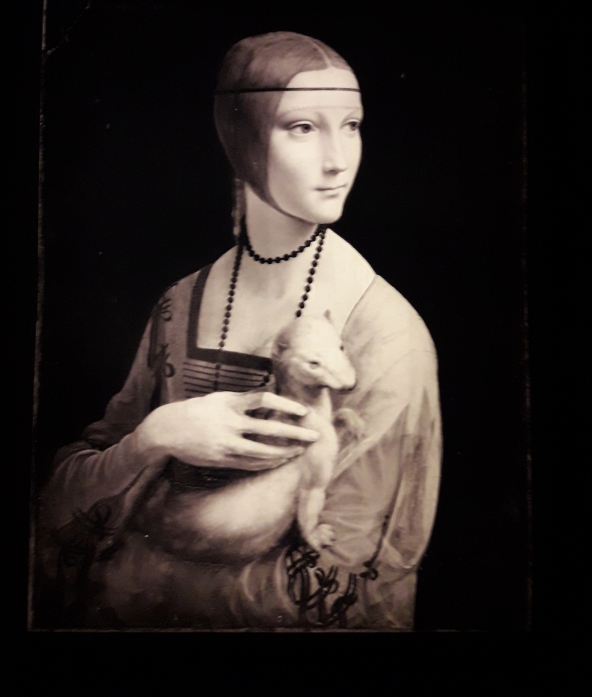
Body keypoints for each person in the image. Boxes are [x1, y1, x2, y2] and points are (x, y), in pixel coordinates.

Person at [37, 31, 442, 630]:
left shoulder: (387, 336)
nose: (338, 159)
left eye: (351, 125)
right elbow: (61, 508)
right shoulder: (179, 304)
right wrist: (153, 439)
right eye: (303, 127)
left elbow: (347, 590)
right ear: (241, 137)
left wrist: (127, 573)